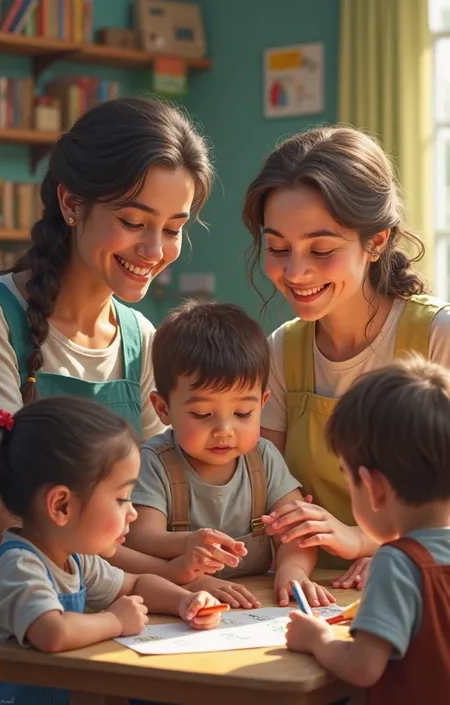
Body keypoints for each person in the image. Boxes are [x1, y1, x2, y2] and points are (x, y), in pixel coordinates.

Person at [0, 96, 213, 572]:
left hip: (114, 609)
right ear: (70, 202)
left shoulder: (140, 337)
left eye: (172, 228)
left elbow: (151, 506)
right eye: (133, 222)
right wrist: (157, 573)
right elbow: (7, 524)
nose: (154, 249)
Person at [242, 125, 450, 588]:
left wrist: (368, 542)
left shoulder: (438, 336)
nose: (295, 272)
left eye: (321, 249)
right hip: (304, 592)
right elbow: (264, 492)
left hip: (420, 587)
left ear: (376, 241)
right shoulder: (282, 349)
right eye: (277, 248)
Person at [0, 397, 222, 705]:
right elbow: (53, 632)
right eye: (121, 499)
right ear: (61, 506)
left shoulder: (74, 559)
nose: (132, 512)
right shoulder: (19, 566)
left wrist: (185, 602)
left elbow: (136, 584)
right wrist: (115, 621)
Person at [129, 301, 335, 609]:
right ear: (163, 409)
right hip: (181, 600)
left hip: (257, 603)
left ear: (263, 403)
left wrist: (292, 571)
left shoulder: (263, 458)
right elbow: (140, 539)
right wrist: (190, 565)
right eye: (201, 414)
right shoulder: (156, 460)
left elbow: (296, 532)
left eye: (242, 412)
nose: (224, 430)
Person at [286, 356, 450, 703]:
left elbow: (364, 667)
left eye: (347, 478)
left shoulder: (397, 562)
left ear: (372, 487)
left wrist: (318, 639)